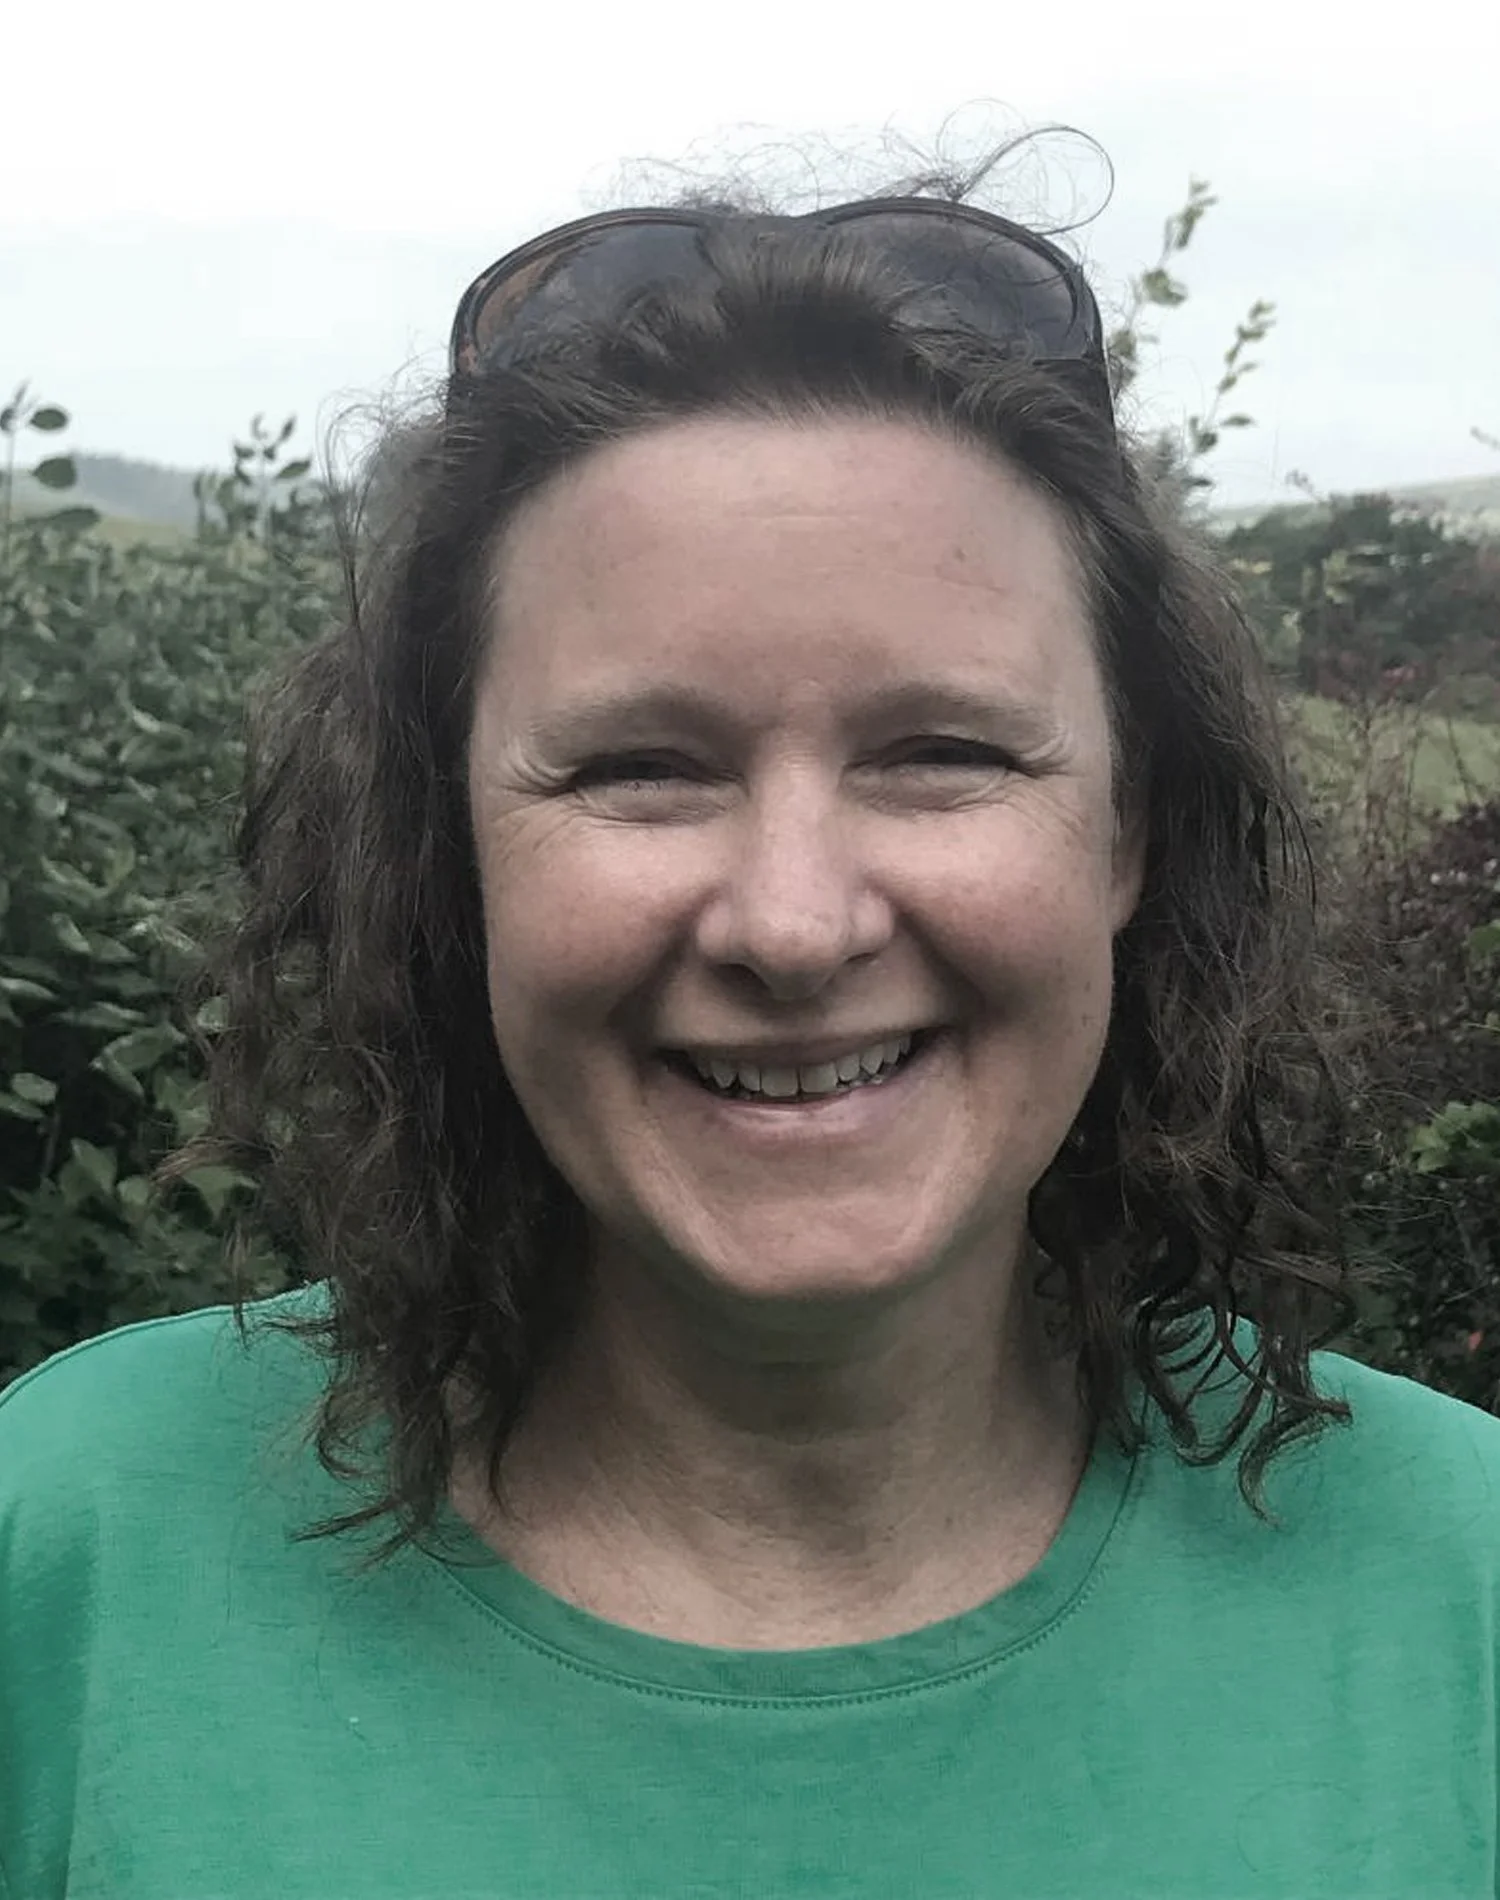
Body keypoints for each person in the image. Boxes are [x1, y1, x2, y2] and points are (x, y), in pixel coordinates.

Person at [3, 152, 1498, 1899]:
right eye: (642, 767)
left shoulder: (1461, 1594)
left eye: (943, 755)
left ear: (1132, 832)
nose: (795, 923)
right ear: (451, 850)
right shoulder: (71, 1552)